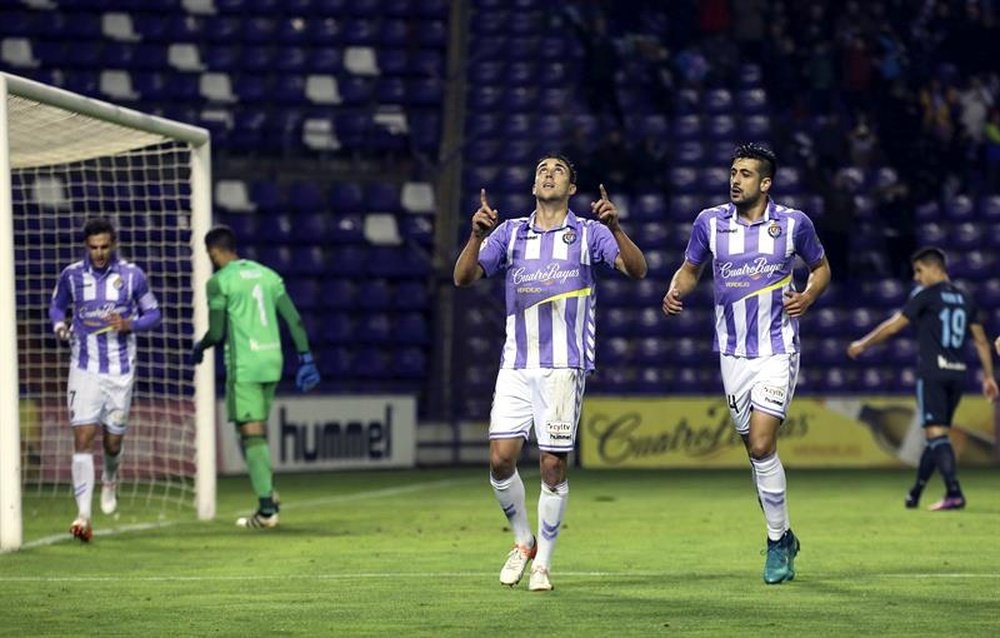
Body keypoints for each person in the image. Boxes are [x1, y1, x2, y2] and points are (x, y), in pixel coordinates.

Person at [453, 154, 647, 591]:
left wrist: (616, 228)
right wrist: (474, 235)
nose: (548, 173)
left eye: (558, 170)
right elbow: (464, 277)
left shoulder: (589, 234)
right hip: (516, 364)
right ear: (533, 185)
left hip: (564, 365)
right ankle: (524, 542)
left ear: (571, 188)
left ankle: (544, 565)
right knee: (500, 460)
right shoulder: (509, 232)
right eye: (542, 169)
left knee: (552, 467)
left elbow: (637, 270)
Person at [661, 143, 831, 584]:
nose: (736, 180)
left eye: (746, 174)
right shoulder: (709, 223)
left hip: (777, 349)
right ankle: (786, 534)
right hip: (732, 354)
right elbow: (689, 269)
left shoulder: (794, 224)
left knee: (760, 444)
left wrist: (808, 296)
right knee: (756, 454)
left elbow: (821, 267)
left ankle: (776, 543)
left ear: (766, 183)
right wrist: (676, 289)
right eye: (733, 172)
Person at [848, 247, 998, 510]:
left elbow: (894, 325)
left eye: (919, 270)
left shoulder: (925, 295)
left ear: (935, 267)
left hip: (933, 373)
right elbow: (981, 341)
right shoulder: (965, 298)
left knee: (936, 432)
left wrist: (864, 343)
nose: (916, 277)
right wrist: (988, 377)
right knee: (936, 434)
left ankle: (954, 493)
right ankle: (915, 492)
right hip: (957, 374)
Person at [190, 226, 321, 528]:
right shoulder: (267, 274)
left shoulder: (219, 282)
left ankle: (266, 510)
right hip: (272, 360)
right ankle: (269, 493)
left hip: (245, 365)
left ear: (213, 252)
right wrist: (305, 357)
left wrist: (201, 346)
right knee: (252, 431)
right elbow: (293, 318)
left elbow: (219, 332)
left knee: (250, 432)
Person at [49, 217, 162, 542]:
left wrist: (130, 324)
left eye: (104, 247)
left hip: (120, 371)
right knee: (82, 438)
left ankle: (110, 479)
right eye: (93, 247)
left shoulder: (131, 275)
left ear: (113, 244)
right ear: (86, 246)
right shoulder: (72, 275)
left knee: (112, 442)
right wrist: (59, 326)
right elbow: (57, 308)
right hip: (84, 369)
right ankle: (83, 516)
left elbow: (154, 313)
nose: (99, 253)